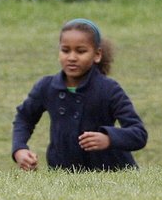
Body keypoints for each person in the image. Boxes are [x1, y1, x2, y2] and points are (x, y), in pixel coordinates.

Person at [12, 18, 147, 171]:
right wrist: (19, 149)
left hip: (111, 174)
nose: (72, 58)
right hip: (62, 174)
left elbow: (139, 134)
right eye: (65, 50)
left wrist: (109, 138)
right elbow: (24, 118)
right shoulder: (47, 87)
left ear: (97, 55)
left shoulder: (109, 89)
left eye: (81, 51)